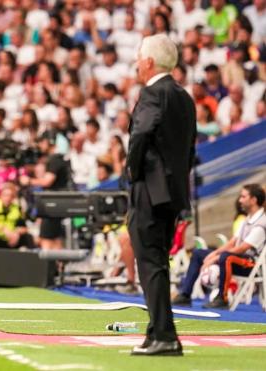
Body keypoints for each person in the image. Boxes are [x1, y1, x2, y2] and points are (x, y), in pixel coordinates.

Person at [126, 34, 196, 357]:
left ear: (149, 62)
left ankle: (165, 336)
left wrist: (132, 170)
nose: (138, 63)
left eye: (140, 57)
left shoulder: (153, 92)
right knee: (159, 263)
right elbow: (189, 148)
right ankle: (157, 331)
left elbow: (141, 133)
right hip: (173, 193)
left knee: (151, 263)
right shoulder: (184, 96)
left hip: (150, 192)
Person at [173, 184, 265, 309]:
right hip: (238, 259)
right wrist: (212, 254)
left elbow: (242, 248)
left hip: (251, 265)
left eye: (243, 197)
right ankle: (185, 295)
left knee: (225, 257)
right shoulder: (247, 219)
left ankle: (223, 298)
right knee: (199, 253)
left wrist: (215, 258)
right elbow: (232, 242)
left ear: (254, 200)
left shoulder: (262, 223)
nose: (240, 200)